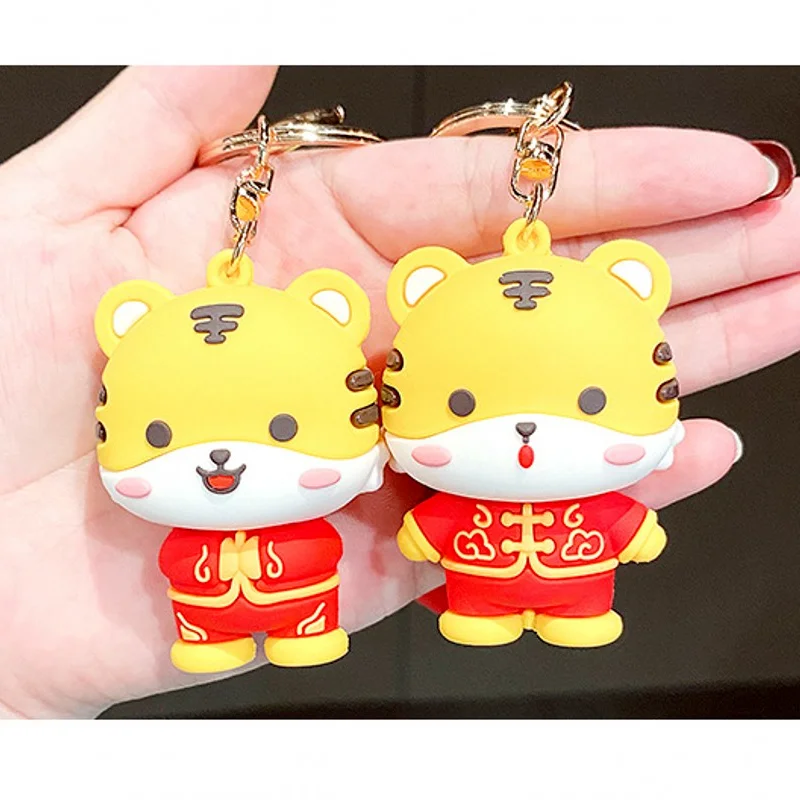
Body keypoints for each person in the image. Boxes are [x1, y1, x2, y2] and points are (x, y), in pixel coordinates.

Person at [0, 65, 795, 719]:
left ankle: (549, 615)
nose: (525, 434)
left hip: (565, 580)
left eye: (590, 406)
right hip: (258, 597)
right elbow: (415, 532)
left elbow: (604, 526)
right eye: (461, 408)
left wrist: (622, 532)